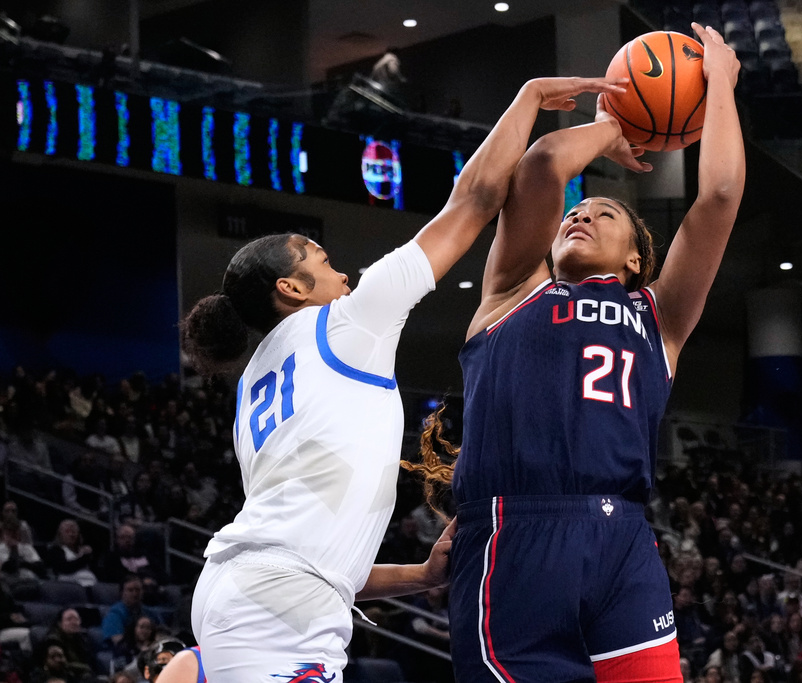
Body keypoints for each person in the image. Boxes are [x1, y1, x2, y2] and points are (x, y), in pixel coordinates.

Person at [182, 74, 630, 683]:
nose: (343, 276)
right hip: (275, 612)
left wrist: (419, 576)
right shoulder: (345, 324)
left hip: (256, 597)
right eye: (325, 263)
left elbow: (317, 555)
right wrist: (528, 100)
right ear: (290, 289)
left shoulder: (257, 383)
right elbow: (472, 201)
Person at [407, 23, 743, 681]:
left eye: (604, 214)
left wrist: (721, 84)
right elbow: (540, 167)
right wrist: (613, 129)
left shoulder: (660, 317)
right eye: (573, 213)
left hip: (622, 539)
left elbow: (721, 195)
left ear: (638, 256)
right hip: (515, 533)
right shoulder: (510, 291)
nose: (579, 215)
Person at [43, 520, 97, 588]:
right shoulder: (56, 550)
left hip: (91, 584)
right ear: (60, 534)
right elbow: (65, 568)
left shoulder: (83, 550)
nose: (71, 534)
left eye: (74, 532)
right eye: (67, 531)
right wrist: (84, 558)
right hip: (69, 587)